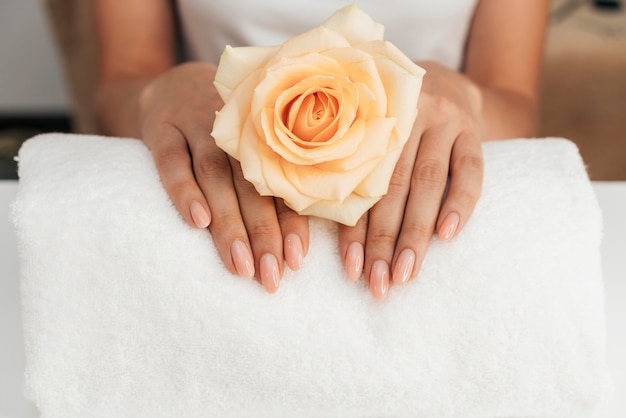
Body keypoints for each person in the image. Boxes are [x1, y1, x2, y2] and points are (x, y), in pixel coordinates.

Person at [93, 0, 549, 300]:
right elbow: (120, 81)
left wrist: (467, 97)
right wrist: (156, 94)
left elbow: (514, 102)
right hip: (222, 148)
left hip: (428, 147)